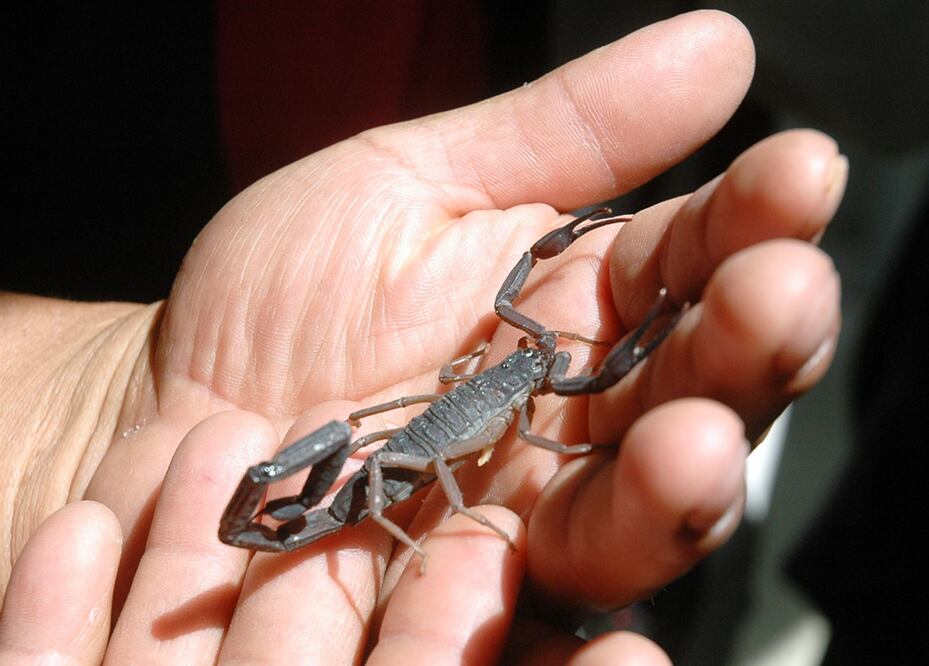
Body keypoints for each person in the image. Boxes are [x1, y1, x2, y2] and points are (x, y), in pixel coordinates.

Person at [0, 11, 845, 663]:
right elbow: (505, 416)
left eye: (532, 352)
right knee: (412, 459)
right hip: (404, 459)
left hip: (415, 435)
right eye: (529, 350)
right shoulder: (521, 382)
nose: (535, 347)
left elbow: (499, 370)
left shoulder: (515, 365)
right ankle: (312, 505)